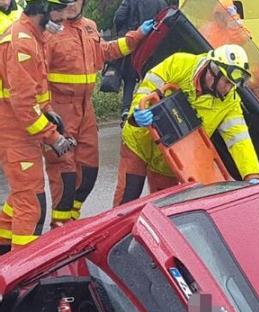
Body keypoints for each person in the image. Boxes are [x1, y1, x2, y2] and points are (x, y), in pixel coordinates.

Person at [44, 0, 155, 226]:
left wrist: (136, 36)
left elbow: (104, 51)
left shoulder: (89, 26)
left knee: (88, 174)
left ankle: (69, 223)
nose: (72, 4)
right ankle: (60, 233)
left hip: (86, 109)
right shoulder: (48, 30)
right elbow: (35, 75)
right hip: (59, 110)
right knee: (65, 178)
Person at [114, 44, 259, 205]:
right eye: (226, 82)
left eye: (232, 85)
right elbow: (147, 87)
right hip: (139, 141)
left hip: (170, 158)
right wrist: (137, 112)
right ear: (213, 71)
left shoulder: (229, 102)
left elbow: (239, 140)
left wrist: (252, 176)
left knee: (165, 209)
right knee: (127, 199)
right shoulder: (180, 63)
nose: (229, 89)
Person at [0, 0, 78, 254]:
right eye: (60, 12)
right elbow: (23, 104)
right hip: (13, 133)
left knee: (20, 199)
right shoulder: (22, 42)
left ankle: (3, 252)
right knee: (31, 205)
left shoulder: (34, 37)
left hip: (20, 132)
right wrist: (53, 138)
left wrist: (49, 113)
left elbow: (36, 91)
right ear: (43, 7)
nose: (64, 19)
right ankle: (22, 275)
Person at [113, 0, 166, 121]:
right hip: (151, 46)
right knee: (150, 80)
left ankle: (126, 109)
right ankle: (148, 107)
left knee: (129, 79)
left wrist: (126, 30)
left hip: (133, 43)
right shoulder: (160, 2)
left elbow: (118, 17)